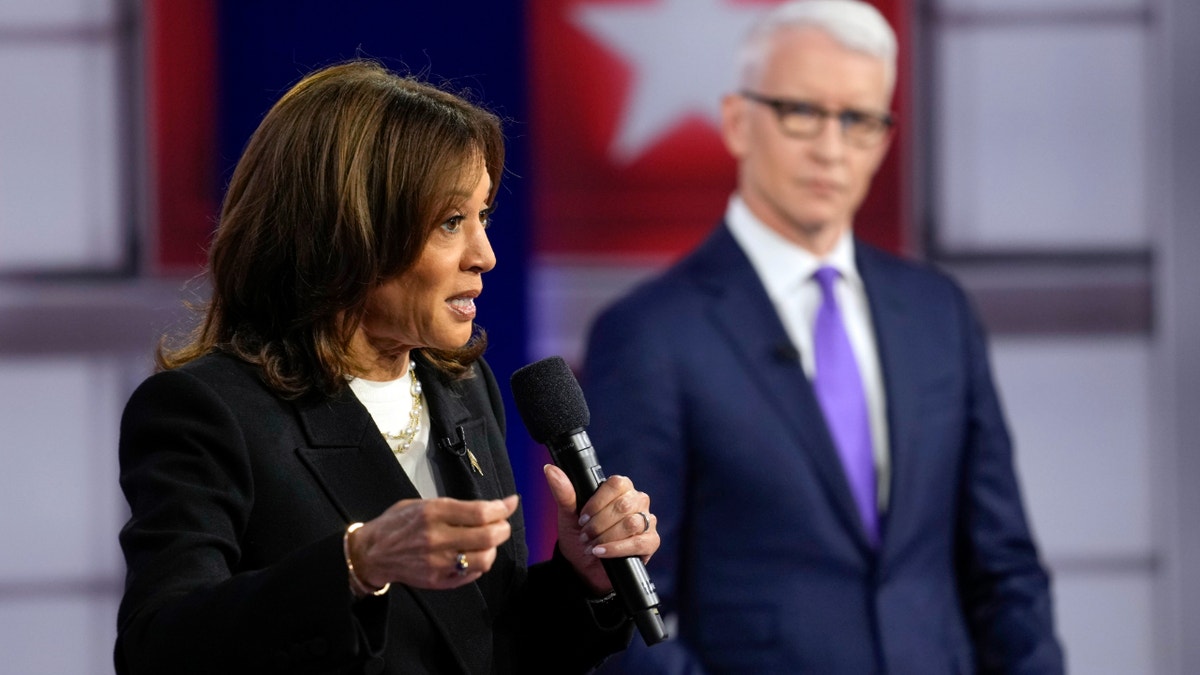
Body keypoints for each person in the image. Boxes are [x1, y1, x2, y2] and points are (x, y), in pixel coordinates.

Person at [115, 60, 660, 675]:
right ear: (351, 230)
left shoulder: (461, 387)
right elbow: (156, 648)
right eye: (451, 222)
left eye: (484, 216)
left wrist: (580, 577)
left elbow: (482, 649)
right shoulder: (208, 411)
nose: (485, 254)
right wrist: (355, 564)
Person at [583, 1, 1064, 673]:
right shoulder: (649, 335)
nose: (832, 148)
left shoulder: (938, 314)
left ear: (885, 138)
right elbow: (631, 610)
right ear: (737, 121)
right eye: (801, 111)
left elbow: (1005, 568)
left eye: (860, 120)